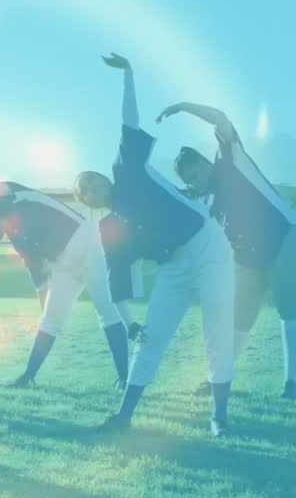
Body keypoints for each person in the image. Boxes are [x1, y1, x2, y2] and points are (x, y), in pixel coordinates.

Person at [74, 54, 236, 437]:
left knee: (216, 330)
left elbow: (128, 122)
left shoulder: (126, 169)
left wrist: (128, 74)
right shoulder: (109, 227)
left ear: (104, 178)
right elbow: (116, 280)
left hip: (208, 246)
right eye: (83, 190)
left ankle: (219, 417)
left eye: (91, 179)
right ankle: (123, 417)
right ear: (88, 203)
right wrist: (131, 324)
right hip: (173, 266)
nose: (90, 187)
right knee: (150, 339)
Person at [160, 101, 296, 397]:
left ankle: (291, 382)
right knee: (239, 319)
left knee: (288, 305)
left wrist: (184, 107)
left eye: (195, 174)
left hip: (284, 236)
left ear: (206, 163)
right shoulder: (205, 200)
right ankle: (218, 377)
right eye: (188, 181)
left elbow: (220, 118)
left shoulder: (230, 160)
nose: (194, 182)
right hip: (248, 255)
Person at [0, 173, 130, 388]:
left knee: (107, 313)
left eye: (1, 225)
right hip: (63, 266)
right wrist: (46, 308)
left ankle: (124, 377)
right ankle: (28, 377)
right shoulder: (17, 237)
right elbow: (38, 277)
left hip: (89, 247)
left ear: (7, 214)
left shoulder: (15, 193)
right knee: (50, 322)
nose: (4, 231)